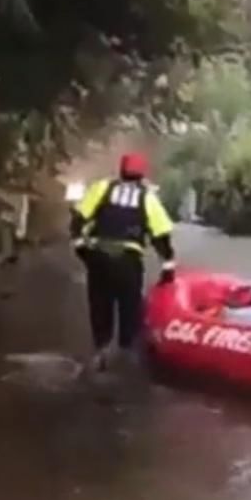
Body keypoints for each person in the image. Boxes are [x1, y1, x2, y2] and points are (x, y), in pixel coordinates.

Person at [69, 151, 176, 373]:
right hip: (128, 261)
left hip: (98, 257)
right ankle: (126, 351)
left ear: (121, 170)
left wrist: (80, 248)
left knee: (100, 305)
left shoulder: (102, 188)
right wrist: (168, 267)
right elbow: (161, 236)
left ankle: (101, 350)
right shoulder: (147, 198)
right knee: (130, 307)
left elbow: (78, 219)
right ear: (141, 175)